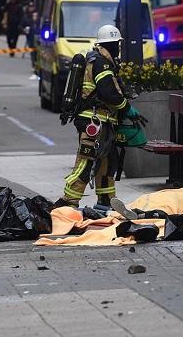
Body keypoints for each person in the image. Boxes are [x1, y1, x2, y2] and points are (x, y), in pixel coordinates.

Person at [54, 25, 139, 209]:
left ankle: (106, 201)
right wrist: (127, 108)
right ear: (112, 44)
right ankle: (67, 201)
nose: (118, 48)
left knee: (107, 163)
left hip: (102, 122)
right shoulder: (102, 63)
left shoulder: (98, 60)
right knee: (86, 162)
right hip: (94, 122)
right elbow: (108, 92)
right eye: (117, 44)